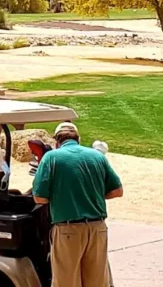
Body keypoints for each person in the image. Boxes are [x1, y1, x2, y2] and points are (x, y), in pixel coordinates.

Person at [32, 122, 123, 287]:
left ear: (56, 142)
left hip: (68, 230)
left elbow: (39, 198)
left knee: (66, 282)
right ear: (78, 139)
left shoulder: (51, 157)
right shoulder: (97, 156)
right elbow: (117, 191)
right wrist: (90, 195)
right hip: (97, 229)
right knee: (97, 282)